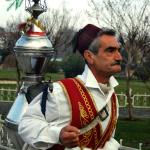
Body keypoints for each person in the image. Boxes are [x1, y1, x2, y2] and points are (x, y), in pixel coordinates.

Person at [18, 24, 123, 150]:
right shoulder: (61, 91)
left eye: (118, 50)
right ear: (90, 56)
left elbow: (107, 138)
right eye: (110, 51)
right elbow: (26, 124)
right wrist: (58, 135)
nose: (119, 57)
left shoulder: (112, 98)